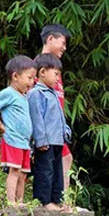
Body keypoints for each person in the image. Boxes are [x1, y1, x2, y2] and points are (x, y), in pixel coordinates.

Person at [0, 56, 37, 205]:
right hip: (13, 139)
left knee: (23, 173)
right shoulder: (9, 93)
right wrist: (0, 125)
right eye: (29, 78)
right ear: (15, 76)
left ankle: (19, 202)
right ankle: (11, 202)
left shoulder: (23, 96)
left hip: (24, 142)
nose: (32, 82)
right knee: (14, 171)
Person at [27, 53, 70, 211]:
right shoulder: (36, 94)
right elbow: (36, 118)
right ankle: (44, 201)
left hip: (57, 140)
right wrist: (41, 140)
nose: (58, 78)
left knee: (57, 171)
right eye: (56, 74)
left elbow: (60, 116)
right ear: (43, 72)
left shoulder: (52, 93)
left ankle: (56, 200)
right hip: (46, 142)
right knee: (45, 171)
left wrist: (65, 131)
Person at [39, 24, 73, 195]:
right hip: (46, 129)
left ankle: (62, 200)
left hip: (57, 127)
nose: (64, 48)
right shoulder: (38, 67)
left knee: (65, 158)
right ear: (50, 39)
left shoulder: (54, 68)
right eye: (63, 43)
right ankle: (58, 200)